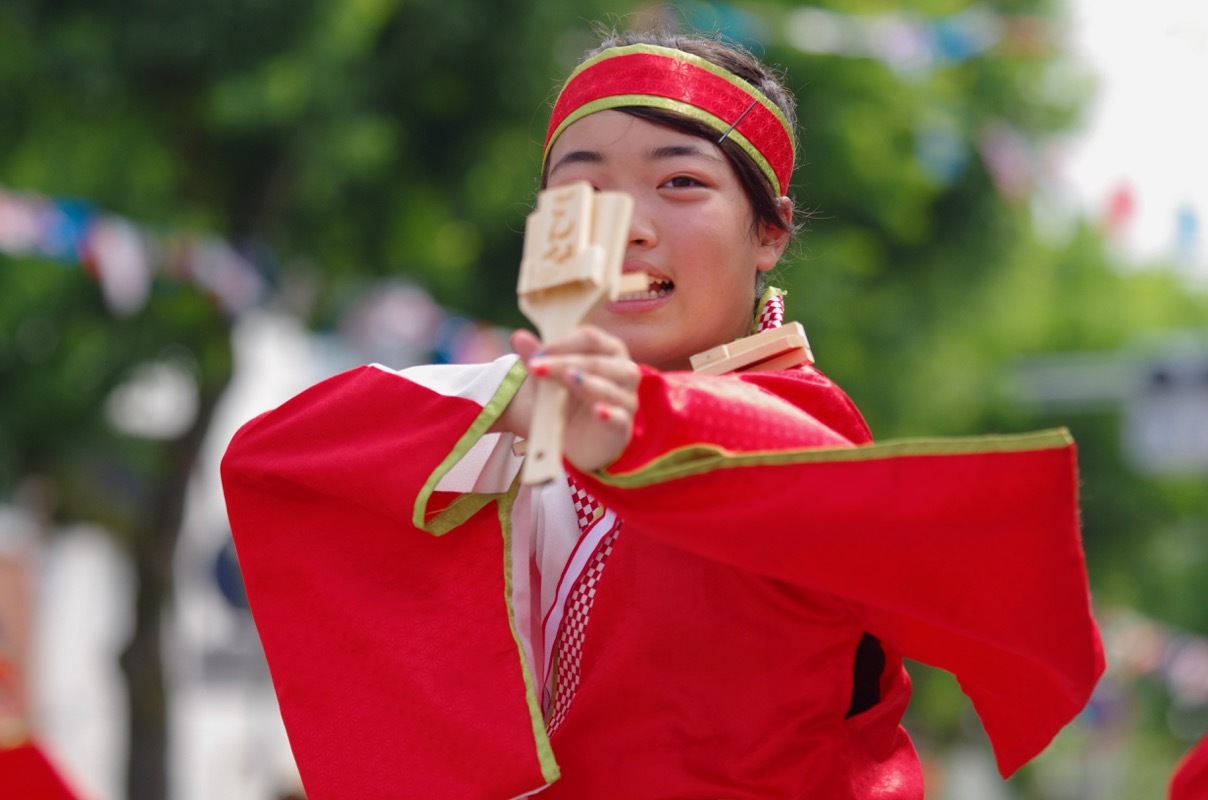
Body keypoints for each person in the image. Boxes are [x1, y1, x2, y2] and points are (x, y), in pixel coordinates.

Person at [220, 29, 1105, 799]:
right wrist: (527, 411)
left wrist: (640, 430)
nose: (627, 226)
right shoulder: (517, 411)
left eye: (679, 183)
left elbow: (772, 469)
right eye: (583, 189)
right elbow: (276, 460)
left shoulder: (794, 422)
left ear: (770, 232)